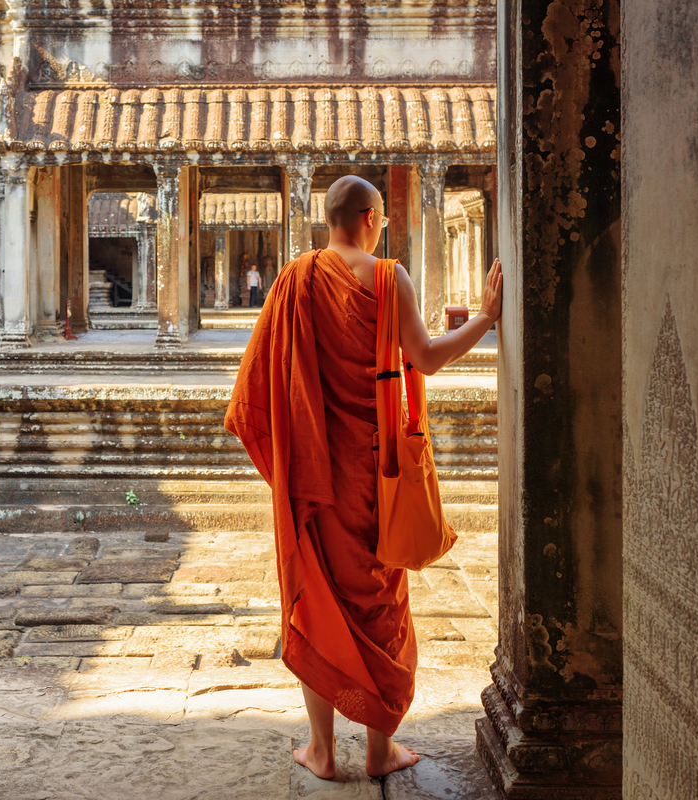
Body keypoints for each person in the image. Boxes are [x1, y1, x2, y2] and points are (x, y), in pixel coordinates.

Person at [225, 175, 503, 779]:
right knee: (381, 604)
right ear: (372, 218)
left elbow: (255, 386)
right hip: (376, 476)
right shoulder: (387, 276)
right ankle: (380, 752)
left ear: (330, 220)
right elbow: (426, 357)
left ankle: (322, 752)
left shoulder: (295, 279)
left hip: (315, 477)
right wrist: (484, 318)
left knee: (317, 605)